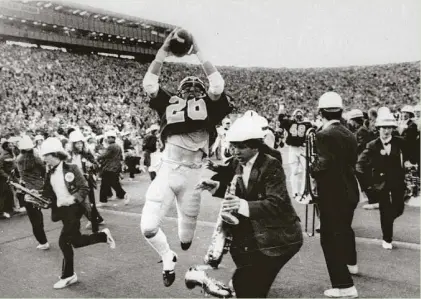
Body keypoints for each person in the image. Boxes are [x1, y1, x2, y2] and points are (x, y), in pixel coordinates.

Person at [140, 29, 233, 287]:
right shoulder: (169, 102)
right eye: (187, 87)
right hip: (168, 170)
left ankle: (178, 249)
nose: (192, 90)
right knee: (148, 228)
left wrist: (199, 52)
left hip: (193, 173)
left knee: (186, 235)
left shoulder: (210, 106)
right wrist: (163, 52)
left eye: (196, 87)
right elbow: (149, 84)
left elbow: (217, 86)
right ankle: (167, 257)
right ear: (180, 92)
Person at [196, 116, 302, 298]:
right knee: (248, 285)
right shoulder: (238, 162)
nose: (235, 151)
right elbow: (238, 190)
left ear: (255, 146)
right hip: (255, 234)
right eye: (233, 145)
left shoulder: (271, 165)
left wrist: (241, 204)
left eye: (241, 146)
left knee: (247, 285)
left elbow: (277, 203)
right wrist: (217, 188)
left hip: (279, 238)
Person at [39, 137, 116, 289]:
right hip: (62, 211)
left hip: (74, 209)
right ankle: (103, 236)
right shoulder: (50, 173)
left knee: (63, 242)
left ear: (54, 154)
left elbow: (84, 188)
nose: (44, 159)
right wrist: (35, 195)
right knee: (76, 241)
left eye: (46, 155)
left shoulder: (72, 168)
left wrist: (72, 199)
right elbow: (47, 193)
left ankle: (68, 276)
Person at [310, 92, 359, 298]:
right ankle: (351, 264)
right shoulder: (349, 133)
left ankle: (344, 285)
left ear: (321, 112)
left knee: (329, 239)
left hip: (332, 194)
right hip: (349, 191)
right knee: (343, 231)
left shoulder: (323, 135)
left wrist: (311, 167)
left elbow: (323, 165)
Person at [356, 107, 407, 250]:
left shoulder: (400, 142)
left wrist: (409, 163)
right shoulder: (372, 145)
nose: (386, 131)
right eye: (383, 127)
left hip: (398, 182)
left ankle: (387, 222)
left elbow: (411, 155)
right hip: (381, 184)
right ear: (378, 128)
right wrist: (368, 187)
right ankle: (387, 238)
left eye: (389, 127)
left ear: (392, 128)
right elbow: (359, 166)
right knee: (385, 211)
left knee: (398, 209)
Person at [15, 135, 49, 249]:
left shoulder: (19, 159)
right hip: (40, 188)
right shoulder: (36, 158)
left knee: (34, 218)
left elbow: (19, 176)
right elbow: (44, 171)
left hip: (28, 191)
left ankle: (43, 242)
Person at [68, 130, 104, 232]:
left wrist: (91, 165)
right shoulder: (70, 155)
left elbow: (97, 165)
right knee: (81, 202)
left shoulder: (87, 153)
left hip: (87, 180)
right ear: (73, 144)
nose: (79, 145)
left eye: (80, 143)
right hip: (75, 182)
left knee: (90, 202)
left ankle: (94, 223)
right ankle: (96, 219)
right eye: (77, 143)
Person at [278, 108, 313, 201]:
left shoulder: (306, 124)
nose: (298, 116)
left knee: (305, 170)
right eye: (297, 115)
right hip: (294, 148)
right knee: (295, 171)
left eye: (300, 114)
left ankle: (302, 191)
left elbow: (281, 120)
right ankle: (296, 192)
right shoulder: (306, 124)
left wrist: (281, 112)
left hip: (302, 149)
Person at [97, 130, 130, 207]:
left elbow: (104, 155)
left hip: (109, 168)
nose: (107, 139)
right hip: (115, 168)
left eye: (108, 138)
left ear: (112, 138)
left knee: (105, 185)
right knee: (114, 184)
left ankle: (104, 201)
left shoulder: (111, 146)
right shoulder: (117, 146)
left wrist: (97, 157)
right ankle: (124, 195)